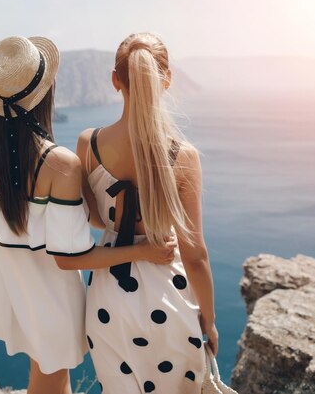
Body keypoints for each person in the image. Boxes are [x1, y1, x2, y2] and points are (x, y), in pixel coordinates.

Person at [0, 36, 176, 394]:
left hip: (12, 292)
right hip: (53, 302)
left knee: (49, 377)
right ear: (45, 95)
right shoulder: (58, 164)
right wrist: (144, 252)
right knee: (52, 380)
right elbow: (69, 258)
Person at [76, 32, 218, 394]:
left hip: (108, 297)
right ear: (166, 79)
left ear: (115, 80)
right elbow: (195, 254)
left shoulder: (88, 144)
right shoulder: (182, 156)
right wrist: (210, 320)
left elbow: (93, 219)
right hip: (168, 296)